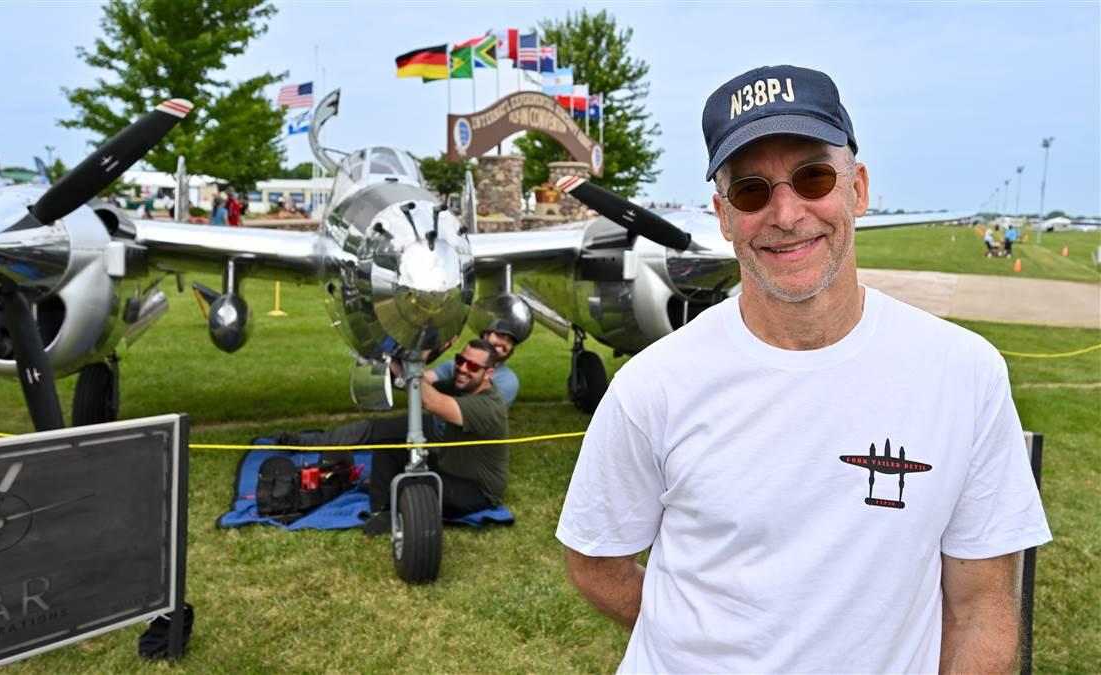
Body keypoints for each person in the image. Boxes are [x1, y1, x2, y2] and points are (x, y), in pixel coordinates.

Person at [556, 65, 1051, 674]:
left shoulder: (966, 373)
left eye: (813, 177)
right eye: (751, 191)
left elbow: (981, 607)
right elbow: (595, 562)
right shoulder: (652, 385)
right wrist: (695, 636)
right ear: (723, 216)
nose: (787, 214)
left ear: (858, 189)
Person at [278, 340, 508, 536]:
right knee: (388, 446)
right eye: (460, 360)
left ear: (488, 373)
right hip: (448, 470)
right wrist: (388, 358)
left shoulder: (488, 406)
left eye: (472, 366)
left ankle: (394, 511)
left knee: (409, 487)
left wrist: (410, 367)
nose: (463, 369)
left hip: (475, 491)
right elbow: (418, 386)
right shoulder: (462, 387)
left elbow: (431, 401)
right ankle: (383, 510)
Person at [426, 319, 523, 408]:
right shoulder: (455, 365)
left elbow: (478, 411)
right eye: (500, 336)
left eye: (510, 341)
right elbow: (423, 380)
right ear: (486, 335)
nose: (504, 343)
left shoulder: (507, 380)